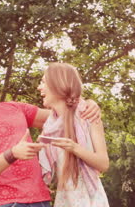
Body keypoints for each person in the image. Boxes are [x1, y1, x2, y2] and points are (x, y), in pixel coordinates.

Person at [0, 55, 101, 207]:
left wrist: (87, 104)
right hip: (8, 204)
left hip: (42, 202)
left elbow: (66, 116)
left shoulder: (15, 108)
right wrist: (12, 154)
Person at [37, 63, 110, 207]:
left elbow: (103, 163)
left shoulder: (88, 116)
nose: (39, 87)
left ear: (58, 85)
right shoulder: (49, 127)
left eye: (43, 82)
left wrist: (74, 148)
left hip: (91, 199)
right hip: (65, 199)